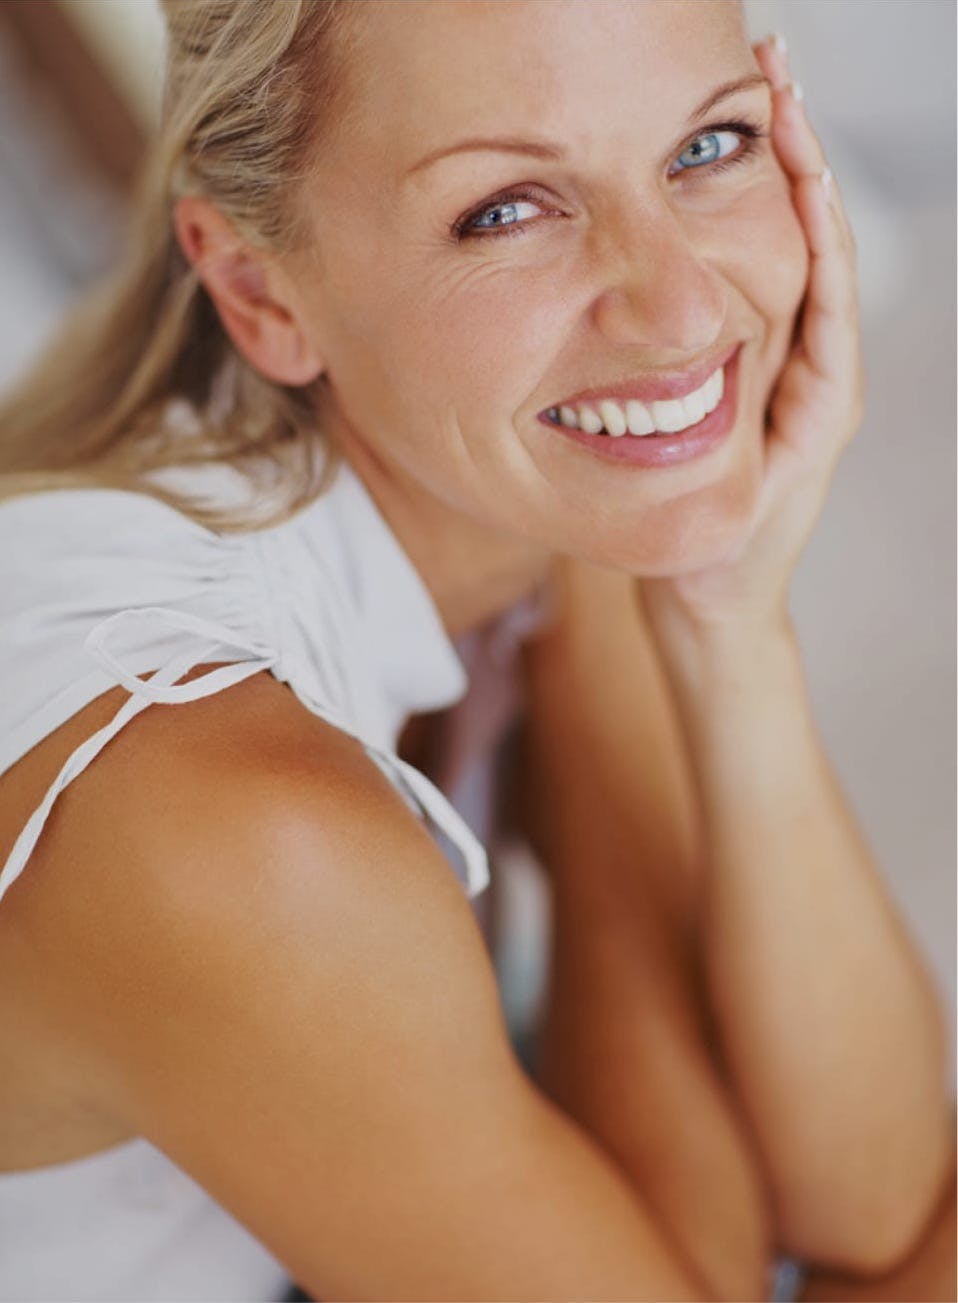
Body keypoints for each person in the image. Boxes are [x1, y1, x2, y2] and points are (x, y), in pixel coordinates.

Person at [0, 2, 952, 1299]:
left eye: (707, 147)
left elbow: (873, 1192)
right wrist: (603, 624)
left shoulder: (488, 475)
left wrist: (725, 626)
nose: (675, 311)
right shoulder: (225, 829)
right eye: (503, 211)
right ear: (260, 293)